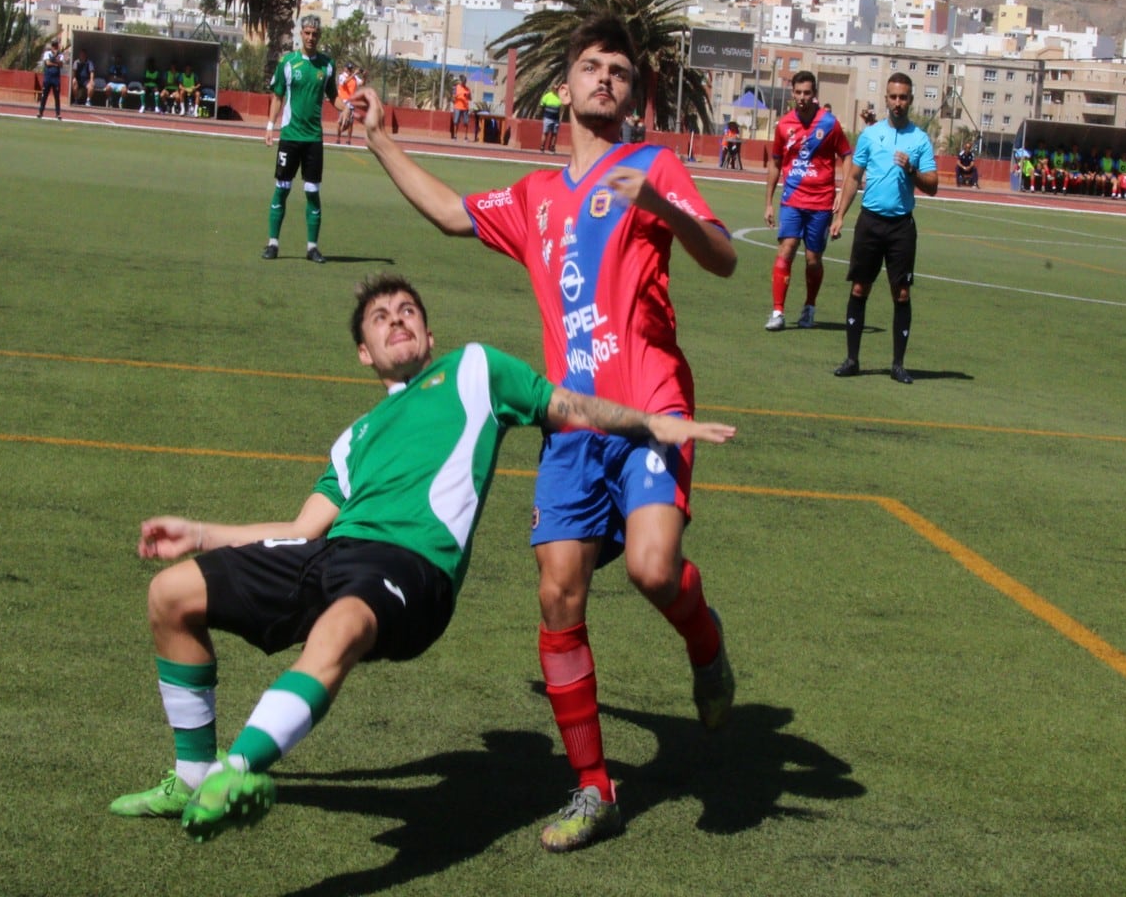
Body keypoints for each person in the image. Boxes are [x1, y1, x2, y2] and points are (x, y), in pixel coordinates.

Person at [107, 273, 735, 843]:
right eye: (380, 318)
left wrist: (653, 424)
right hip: (331, 554)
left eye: (407, 311)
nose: (396, 319)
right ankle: (193, 776)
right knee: (171, 595)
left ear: (430, 334)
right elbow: (302, 529)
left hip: (411, 567)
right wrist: (199, 532)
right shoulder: (353, 439)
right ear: (364, 353)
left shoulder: (474, 370)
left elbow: (569, 406)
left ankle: (236, 769)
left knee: (341, 626)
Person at [357, 15, 738, 852]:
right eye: (592, 68)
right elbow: (454, 214)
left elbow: (722, 256)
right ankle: (594, 789)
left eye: (621, 73)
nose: (606, 80)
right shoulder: (533, 198)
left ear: (635, 95)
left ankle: (705, 646)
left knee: (651, 567)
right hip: (571, 421)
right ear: (565, 87)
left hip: (651, 401)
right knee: (557, 593)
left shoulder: (653, 165)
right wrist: (383, 144)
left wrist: (662, 204)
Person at [831, 71, 939, 383]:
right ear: (886, 99)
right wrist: (840, 216)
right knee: (859, 288)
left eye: (903, 97)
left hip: (901, 227)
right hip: (870, 222)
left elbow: (932, 185)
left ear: (911, 100)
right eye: (892, 97)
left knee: (901, 293)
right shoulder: (870, 135)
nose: (897, 103)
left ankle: (898, 364)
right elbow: (852, 178)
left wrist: (912, 170)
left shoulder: (919, 140)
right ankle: (852, 360)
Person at [763, 71, 850, 331]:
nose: (802, 98)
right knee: (786, 249)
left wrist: (842, 193)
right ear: (792, 93)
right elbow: (775, 164)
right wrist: (768, 202)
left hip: (821, 202)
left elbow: (846, 156)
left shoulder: (830, 124)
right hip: (792, 199)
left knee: (813, 259)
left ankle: (809, 307)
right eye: (798, 93)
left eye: (807, 93)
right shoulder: (783, 125)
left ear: (815, 94)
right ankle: (778, 312)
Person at [263, 14, 336, 263]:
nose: (311, 37)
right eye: (306, 33)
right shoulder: (288, 62)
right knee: (281, 189)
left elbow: (334, 96)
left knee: (312, 192)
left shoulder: (326, 66)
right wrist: (270, 126)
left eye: (315, 34)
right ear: (300, 34)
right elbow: (277, 97)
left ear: (320, 36)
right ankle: (273, 244)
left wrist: (346, 107)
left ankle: (312, 247)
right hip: (290, 137)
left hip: (313, 139)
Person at [37, 39, 64, 120]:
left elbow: (61, 64)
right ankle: (40, 112)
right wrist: (56, 62)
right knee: (44, 95)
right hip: (48, 77)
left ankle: (58, 113)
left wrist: (55, 60)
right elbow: (48, 63)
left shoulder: (60, 55)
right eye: (53, 46)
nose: (55, 47)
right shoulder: (47, 53)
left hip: (56, 78)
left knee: (56, 96)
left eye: (56, 46)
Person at [335, 65, 360, 144]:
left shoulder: (355, 77)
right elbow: (345, 82)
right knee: (340, 121)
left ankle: (349, 140)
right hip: (343, 103)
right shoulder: (341, 76)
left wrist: (365, 76)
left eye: (351, 69)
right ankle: (338, 138)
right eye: (348, 68)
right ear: (345, 69)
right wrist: (354, 74)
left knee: (350, 122)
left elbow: (362, 83)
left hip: (351, 103)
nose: (349, 70)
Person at [539, 87, 564, 152]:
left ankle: (552, 147)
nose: (555, 89)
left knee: (554, 134)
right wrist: (542, 115)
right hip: (547, 118)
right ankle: (542, 147)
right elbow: (542, 106)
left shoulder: (559, 97)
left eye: (557, 88)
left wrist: (560, 118)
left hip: (556, 119)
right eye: (554, 88)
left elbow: (561, 108)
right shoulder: (547, 96)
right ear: (552, 89)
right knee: (545, 133)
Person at [449, 76, 471, 140]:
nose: (464, 83)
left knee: (466, 122)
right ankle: (455, 136)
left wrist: (468, 96)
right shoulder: (456, 88)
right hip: (457, 107)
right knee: (456, 122)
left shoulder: (468, 89)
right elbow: (453, 98)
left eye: (465, 82)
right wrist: (456, 97)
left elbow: (470, 98)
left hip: (465, 108)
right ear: (461, 81)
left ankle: (465, 137)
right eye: (463, 82)